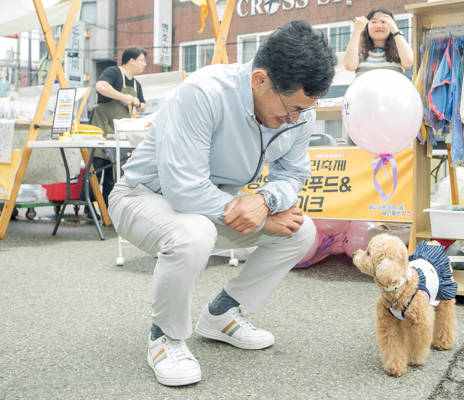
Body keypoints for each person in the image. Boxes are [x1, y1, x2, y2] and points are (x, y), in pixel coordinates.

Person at [107, 21, 336, 387]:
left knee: (301, 231)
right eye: (291, 108)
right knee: (193, 233)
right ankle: (165, 337)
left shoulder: (300, 112)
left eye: (304, 110)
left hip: (214, 203)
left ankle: (222, 314)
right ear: (259, 80)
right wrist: (262, 220)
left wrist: (266, 200)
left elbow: (293, 174)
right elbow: (184, 190)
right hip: (142, 197)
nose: (295, 119)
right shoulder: (203, 91)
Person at [84, 46, 147, 219]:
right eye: (142, 60)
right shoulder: (113, 72)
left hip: (119, 132)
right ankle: (89, 207)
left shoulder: (136, 84)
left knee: (114, 170)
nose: (145, 64)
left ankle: (108, 208)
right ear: (132, 60)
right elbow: (101, 86)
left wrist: (137, 103)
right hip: (102, 127)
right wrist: (124, 97)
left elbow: (143, 106)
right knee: (95, 168)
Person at [343, 7, 413, 77]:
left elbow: (408, 61)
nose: (379, 26)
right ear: (367, 27)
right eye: (374, 22)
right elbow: (349, 65)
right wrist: (356, 31)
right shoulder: (360, 52)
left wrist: (395, 31)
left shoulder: (399, 52)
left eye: (383, 22)